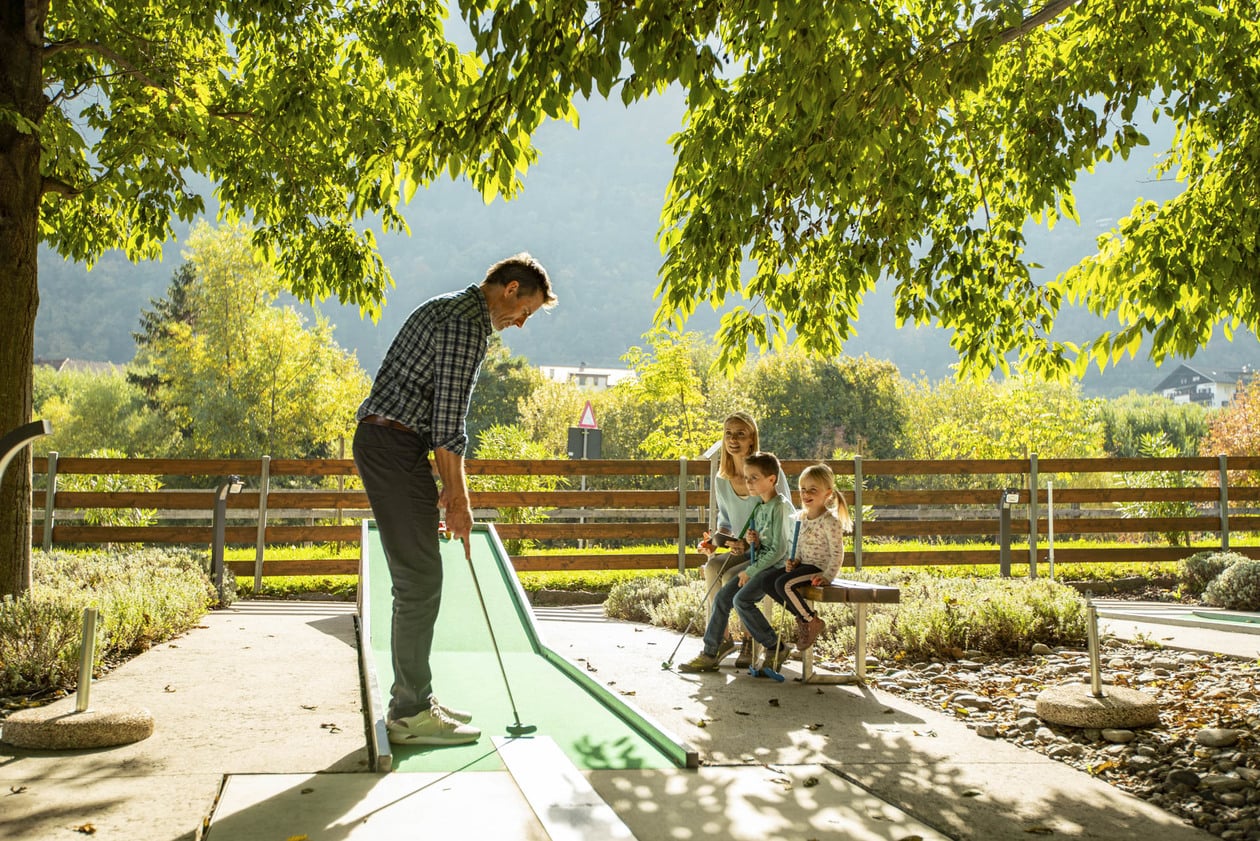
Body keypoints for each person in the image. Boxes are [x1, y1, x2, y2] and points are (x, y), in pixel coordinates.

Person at [353, 253, 556, 746]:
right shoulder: (468, 326)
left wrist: (447, 485)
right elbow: (449, 426)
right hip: (394, 446)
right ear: (509, 289)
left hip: (393, 444)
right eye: (524, 309)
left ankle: (415, 698)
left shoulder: (449, 308)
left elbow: (437, 423)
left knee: (419, 577)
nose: (520, 322)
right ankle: (409, 714)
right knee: (419, 580)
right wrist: (460, 502)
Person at [681, 451, 795, 674]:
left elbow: (780, 550)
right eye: (746, 477)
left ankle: (775, 646)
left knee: (742, 600)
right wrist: (753, 542)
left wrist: (750, 570)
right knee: (723, 597)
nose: (748, 482)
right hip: (761, 562)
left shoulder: (780, 507)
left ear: (772, 479)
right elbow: (765, 545)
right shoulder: (760, 507)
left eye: (754, 478)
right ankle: (710, 652)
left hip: (775, 568)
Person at [768, 462, 853, 651]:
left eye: (813, 490)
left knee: (785, 584)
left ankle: (810, 620)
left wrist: (827, 576)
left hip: (818, 568)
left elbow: (838, 553)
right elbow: (799, 546)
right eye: (803, 489)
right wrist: (794, 561)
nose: (806, 494)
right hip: (804, 565)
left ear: (827, 494)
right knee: (768, 581)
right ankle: (802, 614)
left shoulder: (830, 521)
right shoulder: (802, 518)